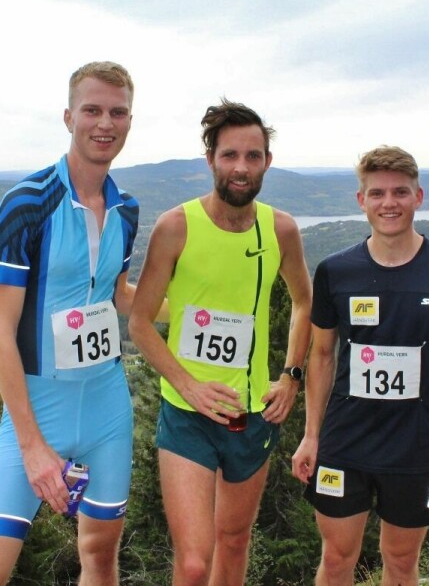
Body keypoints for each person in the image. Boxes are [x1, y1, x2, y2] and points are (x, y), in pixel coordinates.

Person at [0, 61, 153, 586]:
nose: (105, 123)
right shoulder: (27, 203)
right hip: (36, 411)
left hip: (108, 410)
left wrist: (186, 305)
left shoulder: (127, 209)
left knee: (101, 560)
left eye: (117, 112)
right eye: (93, 110)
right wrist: (31, 446)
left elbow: (117, 296)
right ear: (69, 117)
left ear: (130, 121)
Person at [128, 99, 312, 586]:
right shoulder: (176, 227)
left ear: (267, 162)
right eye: (230, 155)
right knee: (193, 563)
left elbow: (304, 302)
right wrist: (188, 386)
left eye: (253, 156)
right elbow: (140, 323)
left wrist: (292, 377)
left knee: (233, 541)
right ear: (210, 159)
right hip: (187, 413)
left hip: (252, 414)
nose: (241, 167)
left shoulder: (281, 229)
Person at [291, 145, 429, 586]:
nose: (389, 203)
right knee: (337, 558)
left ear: (418, 197)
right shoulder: (335, 271)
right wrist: (311, 435)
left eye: (400, 192)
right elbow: (321, 355)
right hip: (345, 442)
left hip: (414, 446)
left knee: (400, 562)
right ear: (361, 200)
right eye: (377, 193)